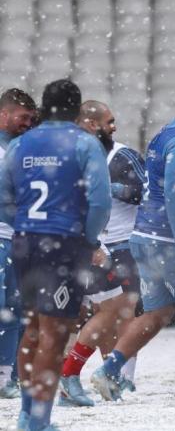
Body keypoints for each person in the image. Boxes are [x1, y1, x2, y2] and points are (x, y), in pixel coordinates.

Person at [91, 86, 175, 401]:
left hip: (144, 237)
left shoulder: (163, 135)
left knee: (156, 313)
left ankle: (109, 369)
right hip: (172, 240)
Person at [0, 79, 111, 430]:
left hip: (25, 242)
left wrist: (23, 222)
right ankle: (37, 421)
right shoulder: (84, 143)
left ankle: (26, 413)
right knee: (54, 332)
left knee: (32, 328)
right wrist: (88, 238)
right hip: (62, 244)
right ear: (75, 110)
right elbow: (100, 201)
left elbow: (3, 196)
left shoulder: (20, 145)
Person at [59, 100, 146, 406]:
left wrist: (109, 187)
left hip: (112, 244)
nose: (114, 127)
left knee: (111, 312)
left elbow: (143, 192)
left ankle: (112, 375)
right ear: (91, 125)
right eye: (109, 122)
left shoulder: (121, 155)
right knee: (116, 312)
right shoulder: (77, 155)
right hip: (94, 247)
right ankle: (72, 376)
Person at [0, 89, 36, 399]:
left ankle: (7, 376)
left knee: (17, 310)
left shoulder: (25, 150)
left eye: (31, 119)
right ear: (3, 115)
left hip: (19, 240)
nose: (27, 123)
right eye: (22, 117)